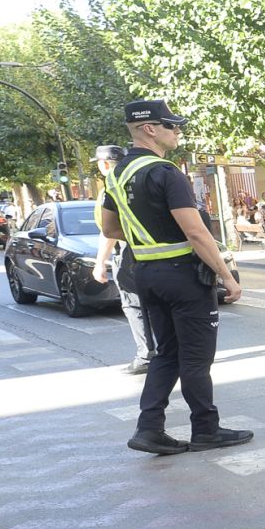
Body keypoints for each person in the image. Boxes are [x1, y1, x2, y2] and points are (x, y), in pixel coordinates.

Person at [98, 99, 251, 455]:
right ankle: (206, 430)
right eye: (171, 125)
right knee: (196, 357)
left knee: (166, 352)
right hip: (182, 275)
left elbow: (108, 227)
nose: (177, 131)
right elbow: (196, 233)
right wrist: (227, 276)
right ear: (149, 129)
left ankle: (149, 428)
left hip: (145, 273)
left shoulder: (117, 174)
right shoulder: (165, 173)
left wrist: (148, 238)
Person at [89, 144, 153, 375]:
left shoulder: (111, 187)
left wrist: (100, 264)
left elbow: (108, 231)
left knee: (134, 304)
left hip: (129, 254)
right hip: (158, 252)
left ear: (104, 164)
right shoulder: (141, 181)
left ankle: (146, 355)